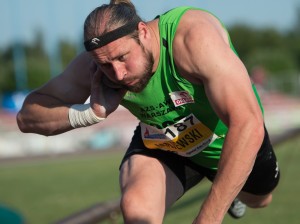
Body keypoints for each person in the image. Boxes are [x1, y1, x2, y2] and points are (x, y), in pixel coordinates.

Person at [16, 1, 280, 223]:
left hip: (230, 141)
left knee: (260, 200)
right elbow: (27, 117)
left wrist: (208, 217)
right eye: (106, 65)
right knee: (136, 208)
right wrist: (89, 113)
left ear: (142, 32)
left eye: (122, 58)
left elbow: (247, 123)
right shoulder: (95, 65)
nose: (118, 74)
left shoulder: (191, 37)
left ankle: (231, 191)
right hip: (165, 143)